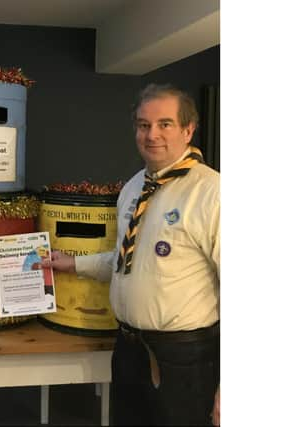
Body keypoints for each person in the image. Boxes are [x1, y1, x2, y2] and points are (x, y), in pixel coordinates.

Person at [42, 83, 220, 426]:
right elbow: (126, 261)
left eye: (165, 124)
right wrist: (73, 263)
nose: (152, 134)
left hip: (185, 359)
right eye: (143, 125)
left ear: (188, 129)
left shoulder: (212, 193)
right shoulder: (134, 186)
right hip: (128, 350)